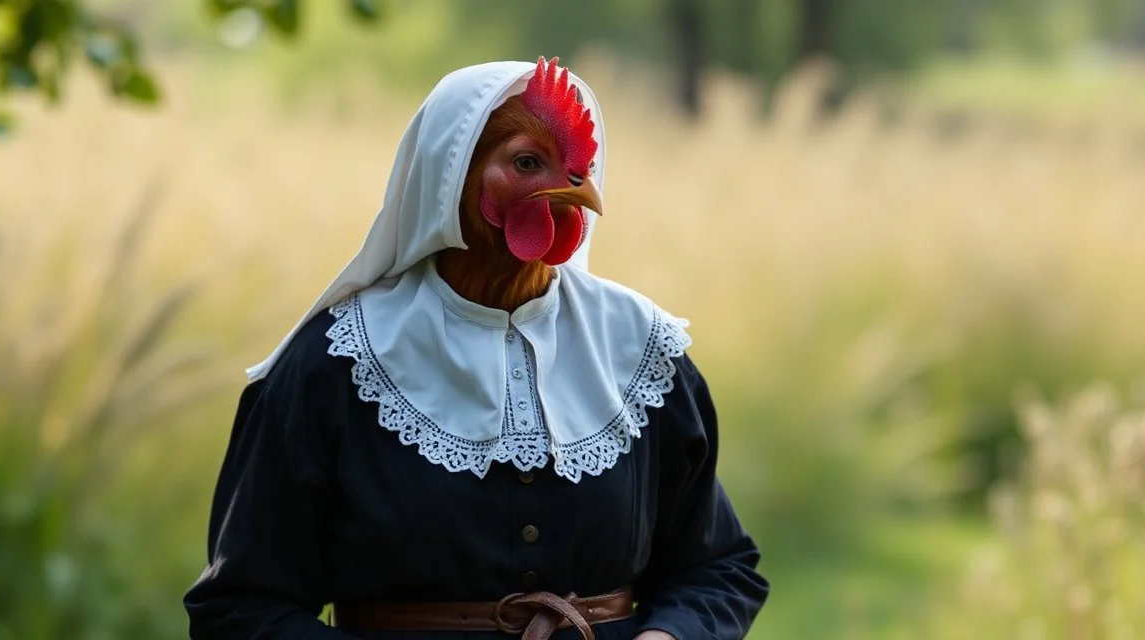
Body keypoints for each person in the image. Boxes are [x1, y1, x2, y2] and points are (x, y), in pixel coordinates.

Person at [183, 58, 769, 640]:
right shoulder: (334, 365)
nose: (577, 185)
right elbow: (239, 608)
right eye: (526, 162)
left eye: (578, 168)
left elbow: (717, 568)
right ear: (453, 177)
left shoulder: (640, 348)